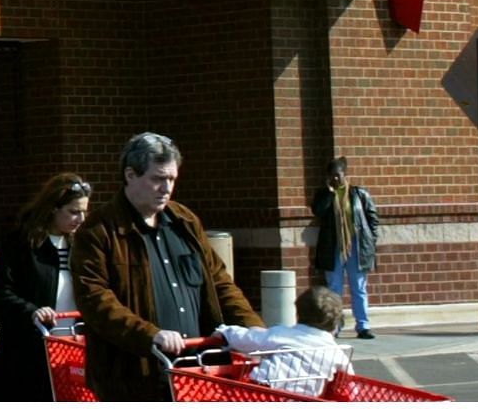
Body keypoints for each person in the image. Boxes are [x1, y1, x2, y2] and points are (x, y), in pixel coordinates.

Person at [73, 132, 264, 401]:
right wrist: (150, 335)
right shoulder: (99, 231)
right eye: (157, 179)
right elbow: (95, 300)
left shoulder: (185, 221)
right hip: (134, 376)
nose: (166, 188)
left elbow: (219, 282)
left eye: (171, 179)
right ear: (130, 175)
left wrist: (251, 327)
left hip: (198, 368)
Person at [0, 172, 92, 401]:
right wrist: (32, 311)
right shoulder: (22, 242)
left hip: (72, 346)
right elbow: (1, 293)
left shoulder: (83, 245)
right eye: (73, 211)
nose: (81, 219)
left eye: (84, 211)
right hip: (28, 349)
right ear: (53, 208)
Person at [215, 285, 352, 397]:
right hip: (306, 399)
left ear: (298, 314)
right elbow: (350, 382)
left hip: (262, 391)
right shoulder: (337, 353)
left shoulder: (283, 334)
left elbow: (249, 339)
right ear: (335, 324)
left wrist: (225, 332)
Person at [311, 156, 379, 339]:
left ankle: (363, 326)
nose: (335, 179)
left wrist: (371, 242)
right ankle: (335, 326)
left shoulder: (359, 194)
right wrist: (330, 193)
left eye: (338, 175)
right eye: (331, 176)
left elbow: (372, 219)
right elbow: (318, 212)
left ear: (345, 174)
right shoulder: (323, 195)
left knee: (359, 287)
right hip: (334, 247)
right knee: (334, 289)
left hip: (356, 246)